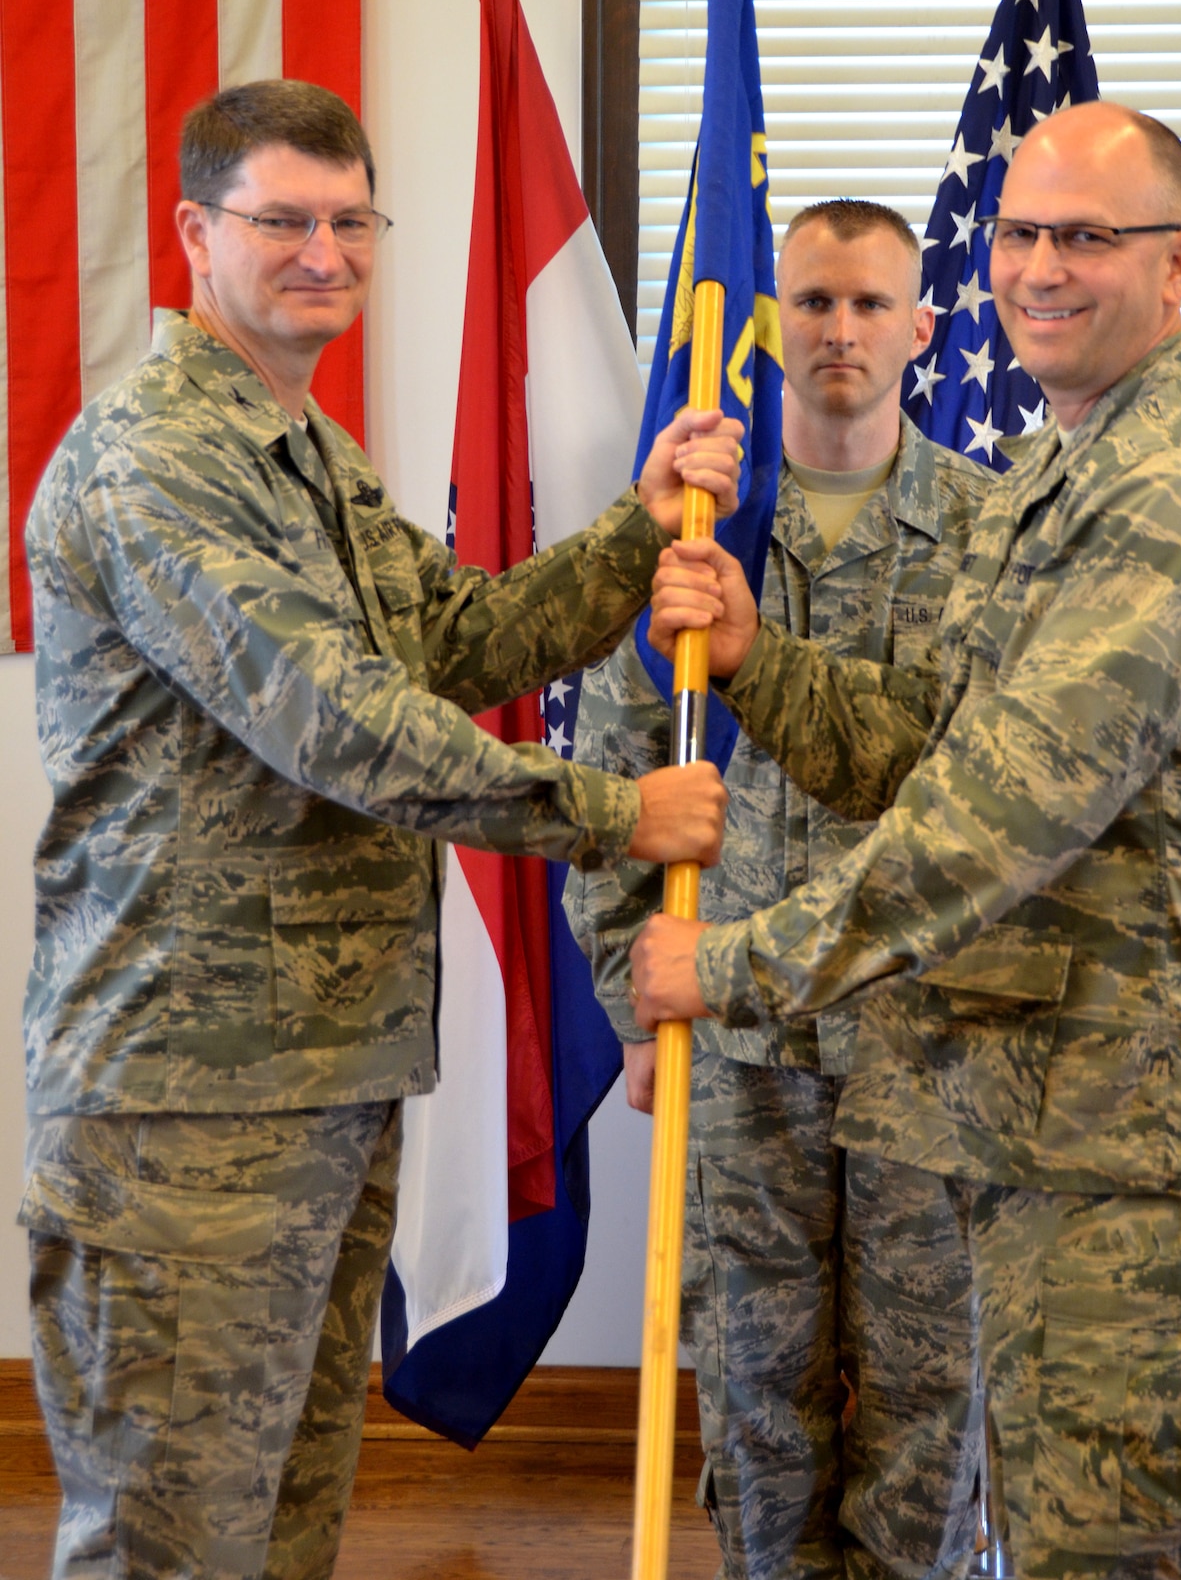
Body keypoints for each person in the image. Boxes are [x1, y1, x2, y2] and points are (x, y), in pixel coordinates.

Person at [21, 79, 736, 1580]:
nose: (324, 252)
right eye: (283, 220)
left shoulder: (303, 452)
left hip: (316, 1069)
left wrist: (635, 521)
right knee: (174, 1540)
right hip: (184, 1098)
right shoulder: (158, 455)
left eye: (351, 220)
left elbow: (462, 636)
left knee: (280, 1520)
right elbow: (333, 717)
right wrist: (611, 811)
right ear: (195, 235)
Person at [633, 101, 1181, 1580]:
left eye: (1087, 235)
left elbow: (1004, 808)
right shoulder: (1073, 473)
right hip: (1047, 1121)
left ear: (1179, 262)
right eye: (1017, 231)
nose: (1039, 267)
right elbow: (930, 739)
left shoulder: (1169, 493)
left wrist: (734, 966)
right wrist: (762, 663)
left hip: (1140, 1141)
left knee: (1124, 1554)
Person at [567, 199, 990, 1580]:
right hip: (737, 1043)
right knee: (754, 1381)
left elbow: (995, 788)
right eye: (810, 302)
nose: (840, 332)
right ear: (768, 325)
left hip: (931, 1035)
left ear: (922, 328)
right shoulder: (691, 533)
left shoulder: (992, 539)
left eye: (871, 305)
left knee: (931, 1385)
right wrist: (629, 1002)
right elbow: (607, 789)